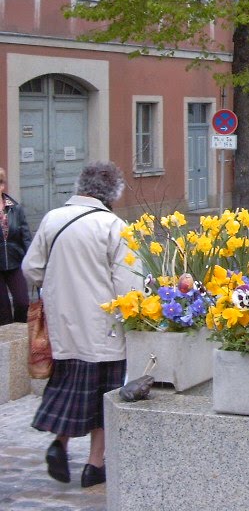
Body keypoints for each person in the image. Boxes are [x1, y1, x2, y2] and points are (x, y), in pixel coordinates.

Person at [21, 161, 140, 488]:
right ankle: (93, 465)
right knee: (103, 396)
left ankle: (59, 445)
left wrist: (59, 286)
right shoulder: (114, 226)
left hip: (62, 326)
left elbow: (31, 270)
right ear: (113, 191)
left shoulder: (52, 219)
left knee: (68, 387)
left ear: (80, 185)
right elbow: (128, 286)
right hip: (104, 328)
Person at [0, 167, 32, 325]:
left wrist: (31, 260)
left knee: (22, 302)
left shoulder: (15, 208)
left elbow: (25, 236)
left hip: (15, 261)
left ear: (2, 186)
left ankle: (19, 336)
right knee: (3, 311)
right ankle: (6, 346)